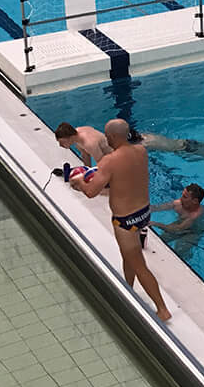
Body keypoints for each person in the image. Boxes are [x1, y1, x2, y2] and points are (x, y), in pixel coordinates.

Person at [68, 118, 171, 322]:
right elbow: (125, 178)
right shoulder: (141, 151)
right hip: (144, 213)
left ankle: (162, 308)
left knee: (139, 264)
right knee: (129, 256)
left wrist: (79, 182)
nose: (106, 140)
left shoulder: (109, 161)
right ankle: (128, 289)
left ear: (113, 137)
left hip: (126, 220)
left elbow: (91, 192)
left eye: (107, 137)